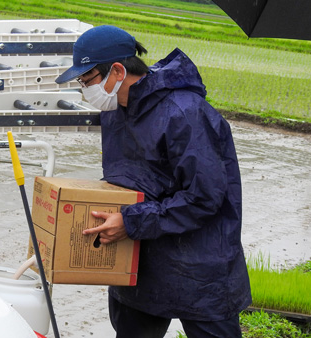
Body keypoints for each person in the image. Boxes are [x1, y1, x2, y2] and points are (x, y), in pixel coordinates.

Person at [55, 25, 251, 338]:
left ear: (117, 70)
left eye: (86, 79)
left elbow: (204, 197)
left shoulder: (184, 114)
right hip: (138, 262)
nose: (83, 88)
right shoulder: (115, 112)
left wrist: (130, 221)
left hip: (199, 265)